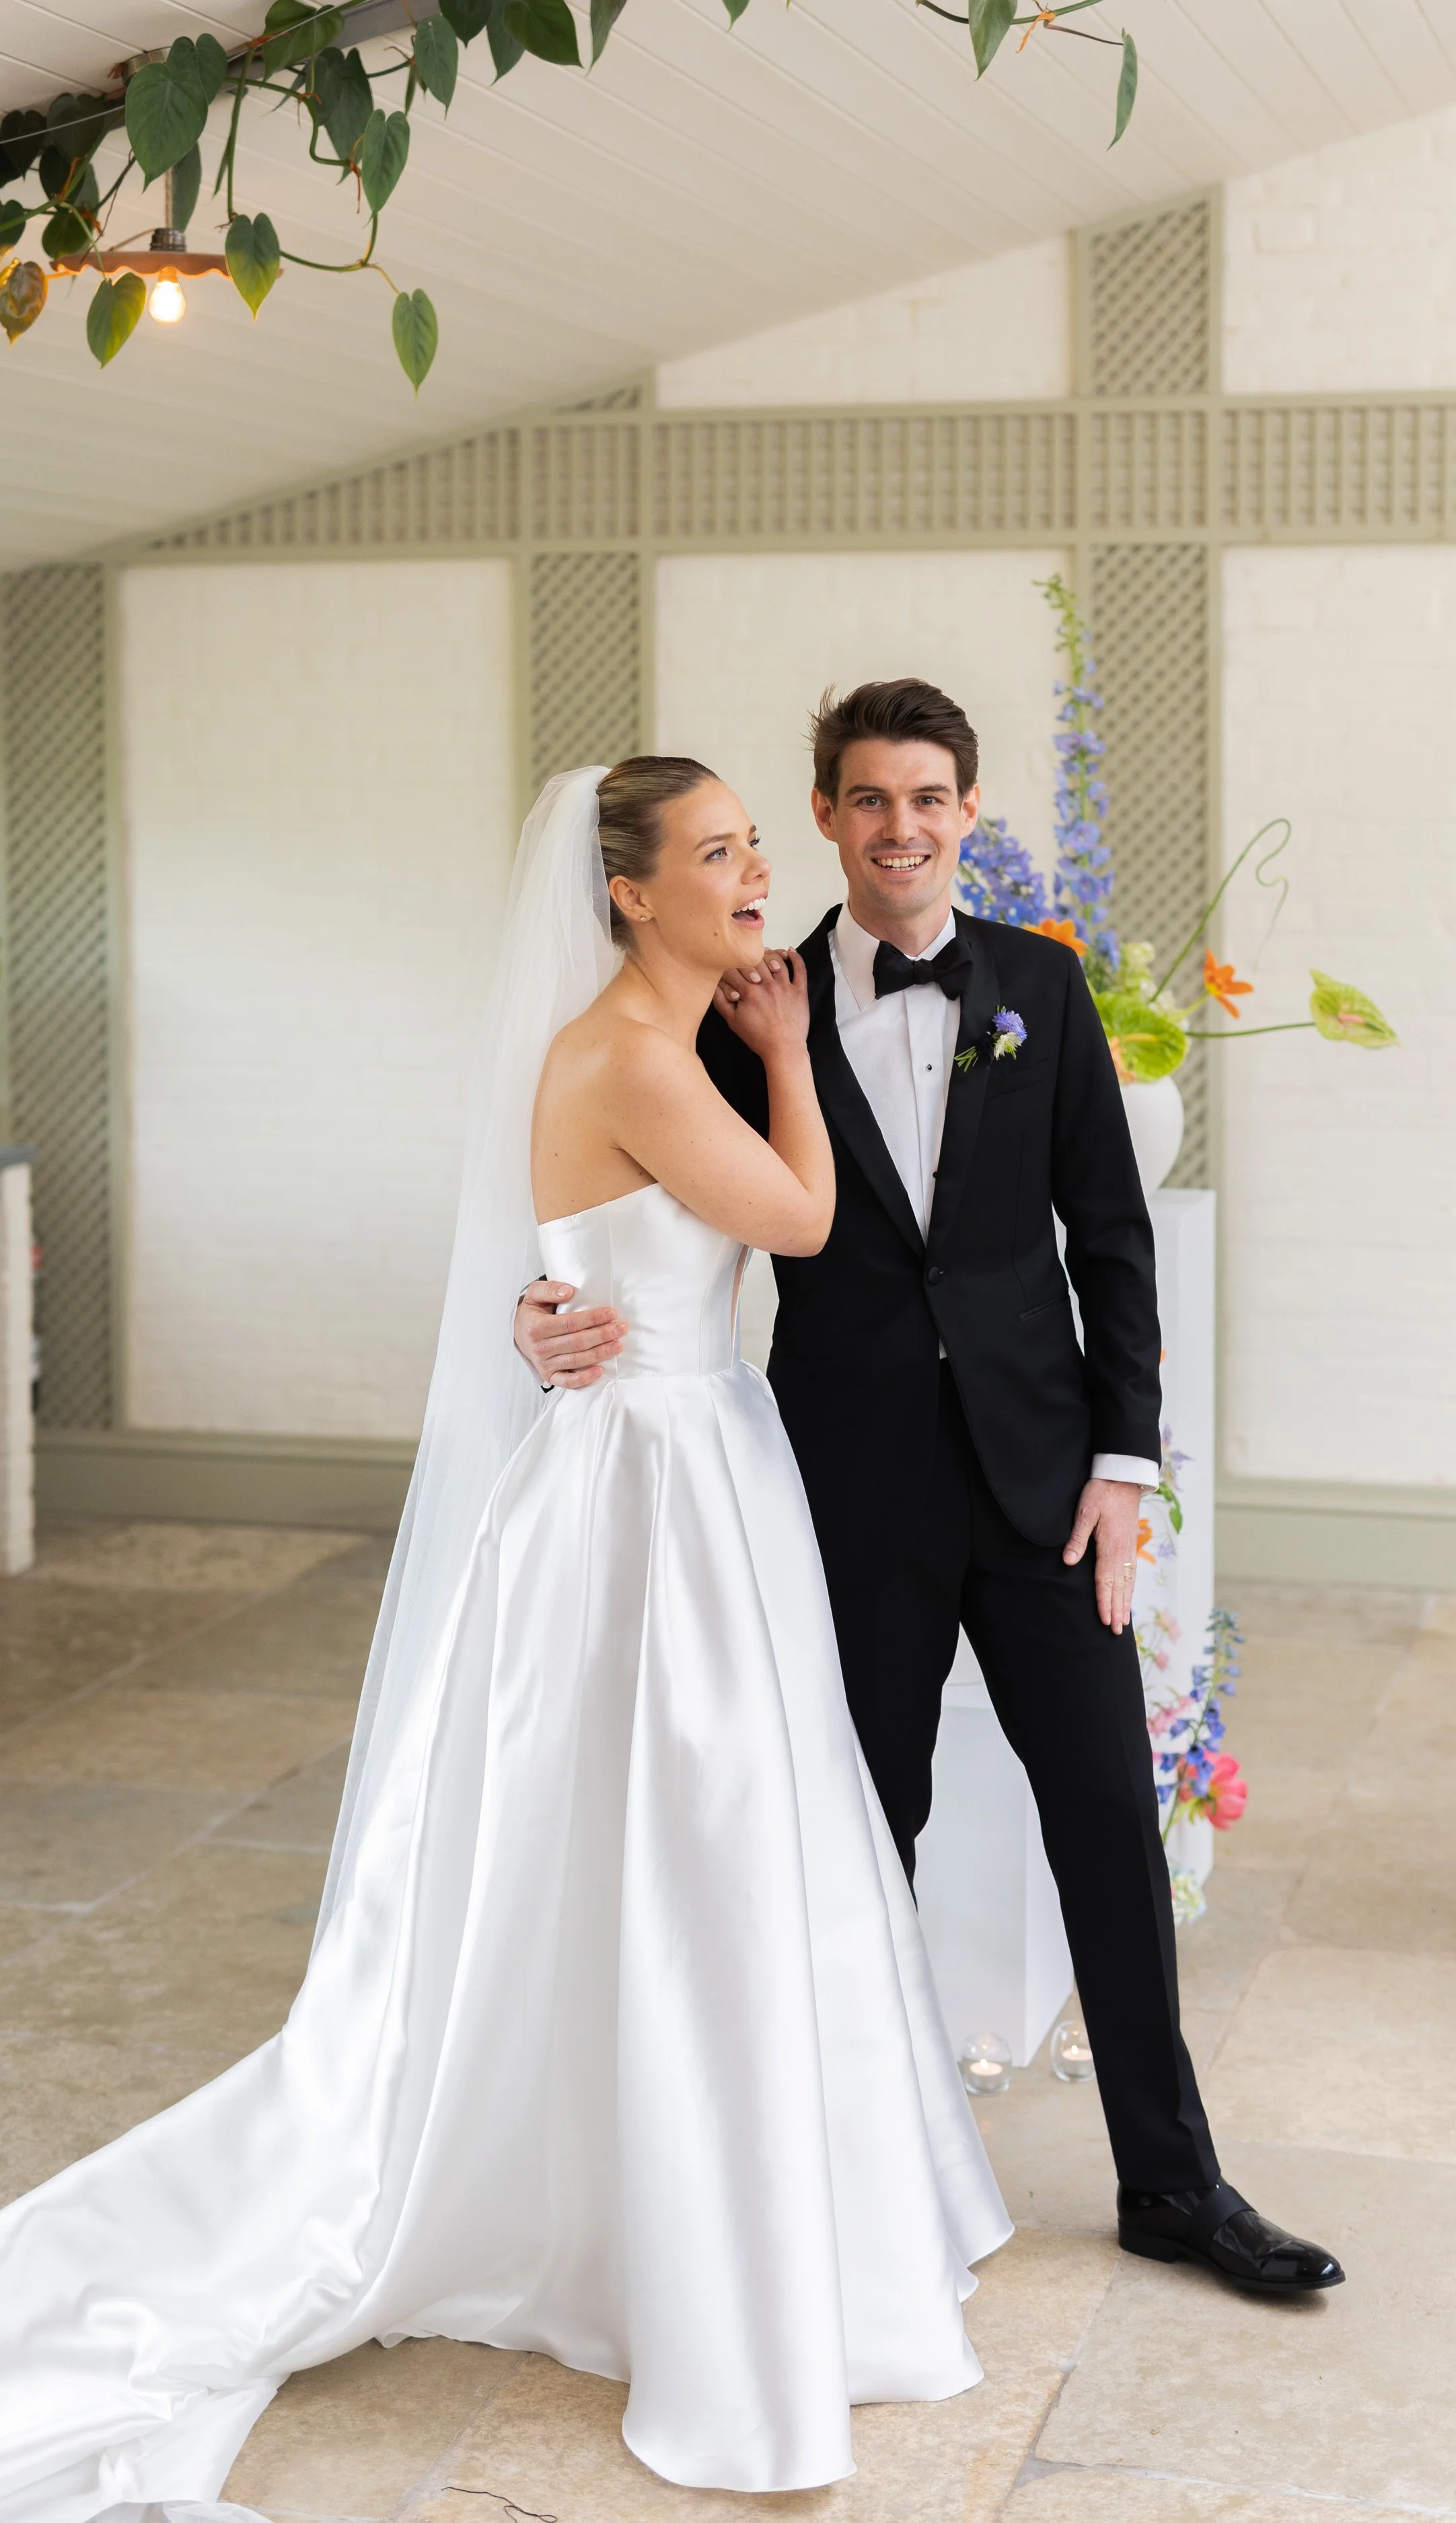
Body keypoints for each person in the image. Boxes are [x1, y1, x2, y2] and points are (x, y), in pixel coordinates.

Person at [0, 760, 1011, 2523]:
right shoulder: (634, 1048)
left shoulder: (651, 1033)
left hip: (694, 1456)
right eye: (718, 852)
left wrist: (583, 1264)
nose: (756, 870)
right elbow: (792, 1218)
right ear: (626, 890)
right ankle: (662, 2231)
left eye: (753, 842)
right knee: (681, 1839)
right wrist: (783, 1056)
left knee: (691, 1841)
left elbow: (623, 1249)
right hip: (658, 1487)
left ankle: (673, 2192)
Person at [518, 682, 1344, 2298]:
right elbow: (612, 1195)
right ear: (823, 815)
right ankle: (844, 2174)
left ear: (966, 812)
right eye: (868, 799)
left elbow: (1108, 1238)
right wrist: (537, 1308)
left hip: (1043, 1489)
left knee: (1106, 1816)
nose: (901, 827)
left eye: (930, 798)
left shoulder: (1039, 983)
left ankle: (1172, 2183)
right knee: (854, 1830)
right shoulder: (727, 1000)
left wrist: (1119, 1467)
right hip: (838, 1493)